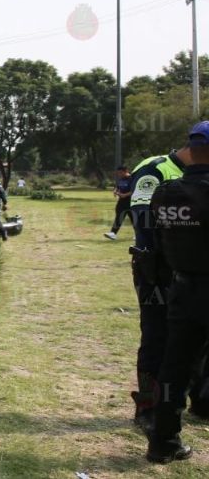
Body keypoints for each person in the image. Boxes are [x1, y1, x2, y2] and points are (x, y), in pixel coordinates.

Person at [145, 121, 209, 463]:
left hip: (181, 289)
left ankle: (162, 442)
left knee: (174, 367)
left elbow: (157, 242)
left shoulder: (166, 192)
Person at [126, 142, 189, 432]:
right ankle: (148, 407)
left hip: (192, 272)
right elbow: (143, 220)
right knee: (156, 335)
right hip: (158, 271)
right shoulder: (155, 169)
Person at [104, 166, 133, 240]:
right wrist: (115, 190)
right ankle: (113, 233)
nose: (119, 174)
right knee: (119, 217)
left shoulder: (132, 179)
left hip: (131, 202)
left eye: (121, 173)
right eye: (118, 173)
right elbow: (118, 186)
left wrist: (125, 195)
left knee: (134, 219)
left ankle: (139, 235)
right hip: (121, 201)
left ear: (126, 171)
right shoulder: (121, 179)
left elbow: (134, 190)